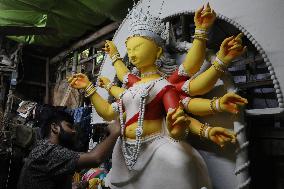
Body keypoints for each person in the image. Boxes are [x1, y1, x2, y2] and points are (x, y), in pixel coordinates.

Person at [68, 4, 247, 189]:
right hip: (125, 149)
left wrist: (178, 129)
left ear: (158, 51)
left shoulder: (164, 86)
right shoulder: (130, 88)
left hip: (157, 145)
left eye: (138, 47)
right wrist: (89, 88)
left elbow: (178, 121)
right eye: (129, 49)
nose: (132, 53)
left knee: (180, 162)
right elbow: (107, 112)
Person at [17, 110, 120, 189]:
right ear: (55, 128)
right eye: (69, 126)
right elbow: (95, 158)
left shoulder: (42, 147)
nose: (74, 131)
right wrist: (114, 132)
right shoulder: (49, 151)